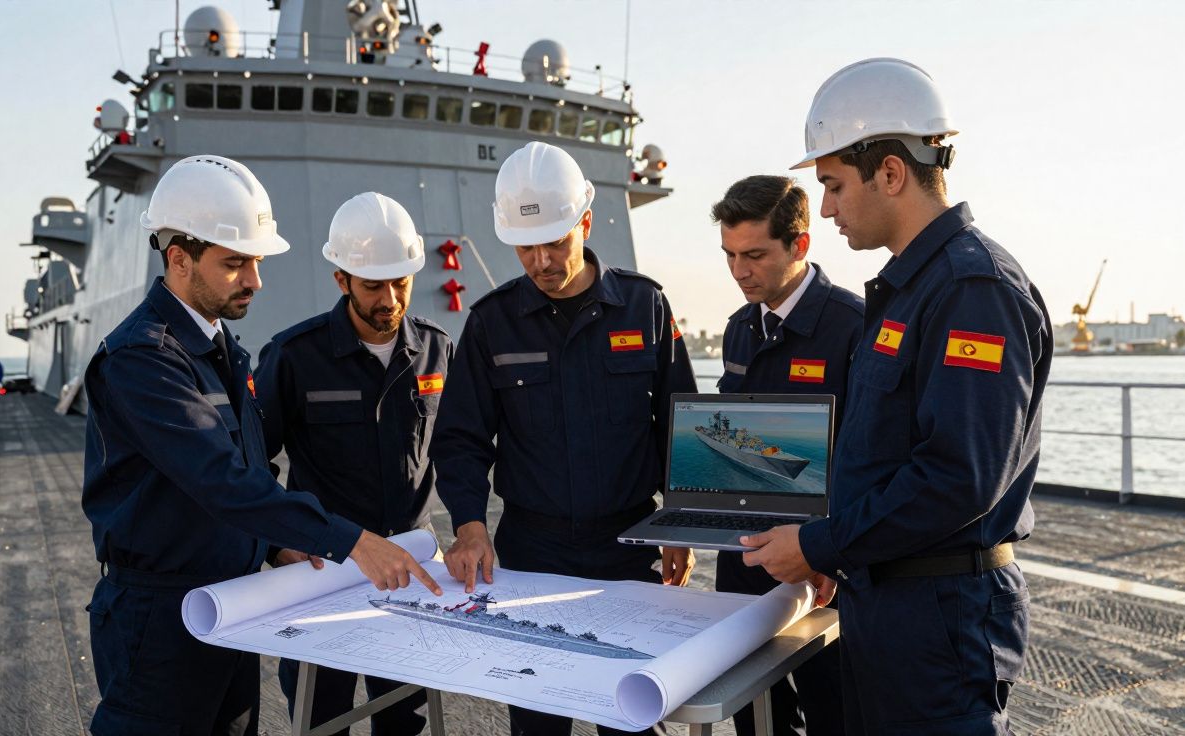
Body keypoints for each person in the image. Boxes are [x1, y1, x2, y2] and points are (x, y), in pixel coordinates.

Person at [742, 59, 1052, 735]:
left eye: (831, 184)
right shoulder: (911, 290)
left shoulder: (974, 290)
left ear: (890, 172)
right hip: (887, 602)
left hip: (939, 620)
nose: (824, 207)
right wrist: (842, 554)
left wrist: (823, 544)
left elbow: (957, 479)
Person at [81, 155, 441, 736]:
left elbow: (253, 468)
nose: (255, 279)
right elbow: (222, 481)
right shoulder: (143, 361)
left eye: (255, 261)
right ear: (179, 259)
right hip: (159, 621)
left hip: (230, 605)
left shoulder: (222, 351)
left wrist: (276, 549)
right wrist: (353, 542)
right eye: (235, 263)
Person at [431, 140, 698, 736]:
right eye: (526, 247)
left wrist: (682, 522)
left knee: (633, 713)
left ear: (586, 221)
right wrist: (470, 525)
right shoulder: (490, 323)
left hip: (627, 545)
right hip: (532, 549)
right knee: (537, 715)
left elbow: (680, 424)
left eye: (556, 241)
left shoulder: (645, 306)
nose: (542, 260)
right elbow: (459, 439)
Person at [255, 192, 453, 735]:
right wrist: (277, 544)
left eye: (401, 282)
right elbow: (252, 463)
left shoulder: (437, 351)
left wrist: (471, 526)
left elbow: (459, 449)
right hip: (326, 577)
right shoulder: (294, 356)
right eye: (372, 285)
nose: (390, 299)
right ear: (341, 279)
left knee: (405, 722)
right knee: (321, 719)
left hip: (412, 575)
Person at [710, 175, 863, 736]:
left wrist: (829, 551)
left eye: (754, 255)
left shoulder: (854, 328)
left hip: (825, 564)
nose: (739, 271)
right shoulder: (738, 331)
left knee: (834, 712)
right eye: (729, 255)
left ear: (800, 244)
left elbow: (868, 457)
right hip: (747, 556)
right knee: (754, 717)